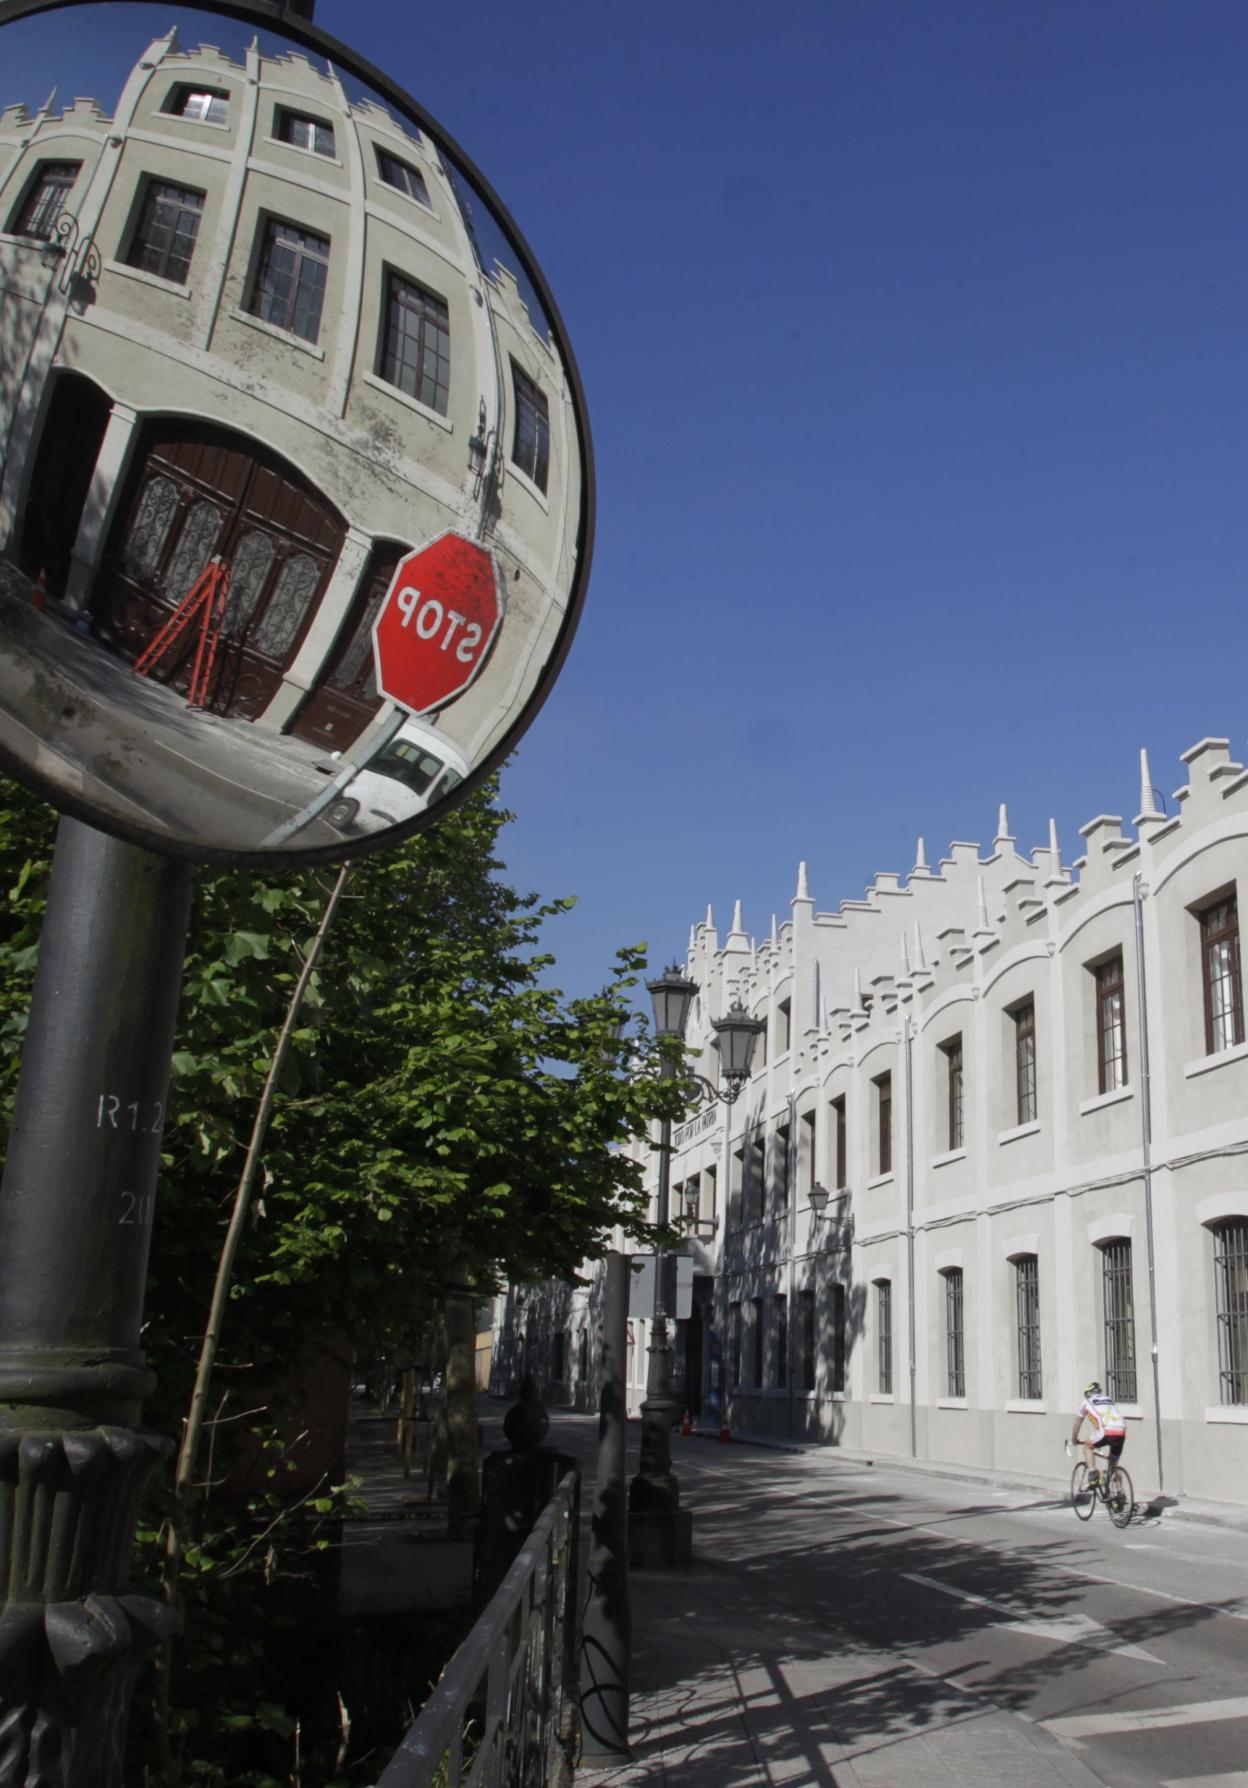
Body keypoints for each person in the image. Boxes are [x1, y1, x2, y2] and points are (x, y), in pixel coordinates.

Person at [1068, 1379, 1127, 1483]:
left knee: (1087, 1447)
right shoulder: (1109, 1399)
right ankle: (1119, 1491)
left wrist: (1074, 1438)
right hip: (1121, 1432)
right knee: (1113, 1463)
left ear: (1088, 1393)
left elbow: (1078, 1422)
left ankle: (1093, 1475)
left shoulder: (1087, 1402)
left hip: (1106, 1431)